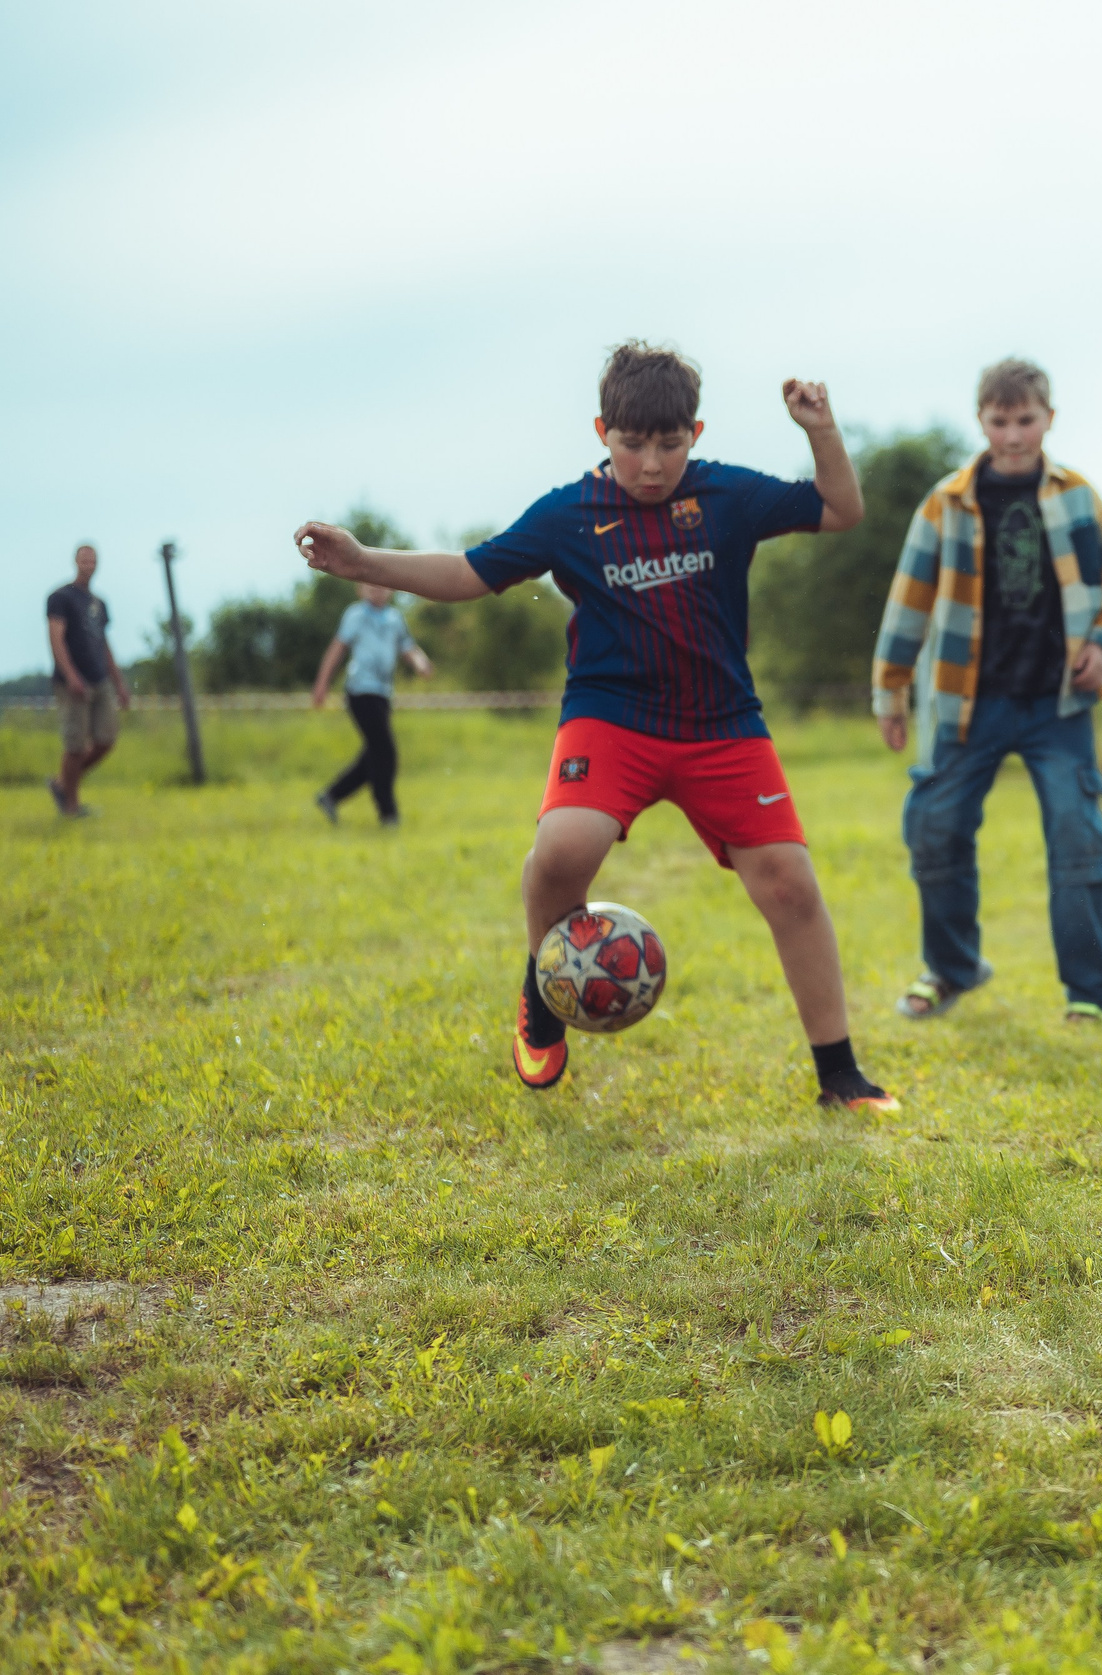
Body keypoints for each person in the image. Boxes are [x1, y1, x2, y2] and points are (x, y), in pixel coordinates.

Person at [291, 341, 900, 1114]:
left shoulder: (729, 497)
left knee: (791, 886)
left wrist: (821, 430)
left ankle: (840, 1075)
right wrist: (363, 562)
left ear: (697, 434)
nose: (652, 463)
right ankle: (545, 1001)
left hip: (722, 724)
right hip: (611, 716)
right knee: (560, 853)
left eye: (670, 444)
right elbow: (469, 573)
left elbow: (842, 510)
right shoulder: (567, 514)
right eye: (633, 443)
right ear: (601, 431)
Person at [871, 357, 1102, 1024]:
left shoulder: (1077, 495)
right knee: (934, 826)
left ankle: (1090, 991)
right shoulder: (946, 501)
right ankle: (951, 968)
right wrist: (890, 691)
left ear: (1049, 418)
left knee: (1077, 836)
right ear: (981, 419)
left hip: (1057, 704)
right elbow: (909, 600)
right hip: (968, 702)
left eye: (1026, 420)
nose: (1013, 435)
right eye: (999, 421)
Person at [310, 582, 433, 826]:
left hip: (383, 693)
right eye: (372, 586)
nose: (378, 590)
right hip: (360, 691)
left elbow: (407, 647)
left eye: (383, 586)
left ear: (392, 590)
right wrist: (322, 683)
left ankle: (331, 796)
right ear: (360, 589)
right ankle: (388, 814)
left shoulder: (394, 618)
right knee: (385, 751)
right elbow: (337, 649)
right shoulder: (355, 614)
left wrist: (421, 662)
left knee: (374, 754)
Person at [45, 544, 132, 820]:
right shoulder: (60, 598)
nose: (88, 564)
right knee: (75, 745)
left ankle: (62, 783)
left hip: (100, 678)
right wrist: (71, 677)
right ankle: (71, 807)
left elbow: (103, 643)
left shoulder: (98, 603)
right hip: (73, 681)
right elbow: (56, 638)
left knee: (105, 740)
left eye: (92, 559)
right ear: (75, 561)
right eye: (84, 559)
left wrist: (119, 682)